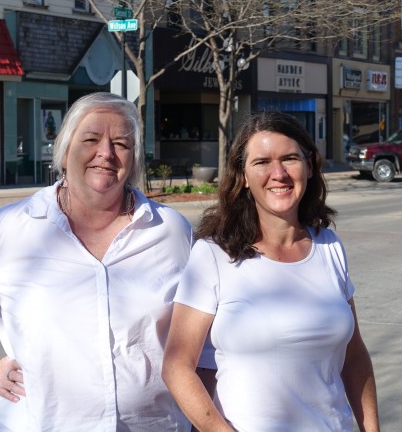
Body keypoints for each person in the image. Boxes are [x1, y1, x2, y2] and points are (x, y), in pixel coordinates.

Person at [0, 92, 200, 431]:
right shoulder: (11, 228)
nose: (105, 153)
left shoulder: (169, 230)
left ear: (134, 159)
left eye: (121, 144)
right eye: (90, 139)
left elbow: (202, 330)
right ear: (63, 151)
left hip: (154, 424)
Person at [162, 110, 380, 431]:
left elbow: (354, 354)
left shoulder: (329, 246)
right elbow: (177, 366)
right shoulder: (213, 255)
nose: (278, 173)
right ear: (243, 177)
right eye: (262, 162)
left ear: (308, 166)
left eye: (290, 158)